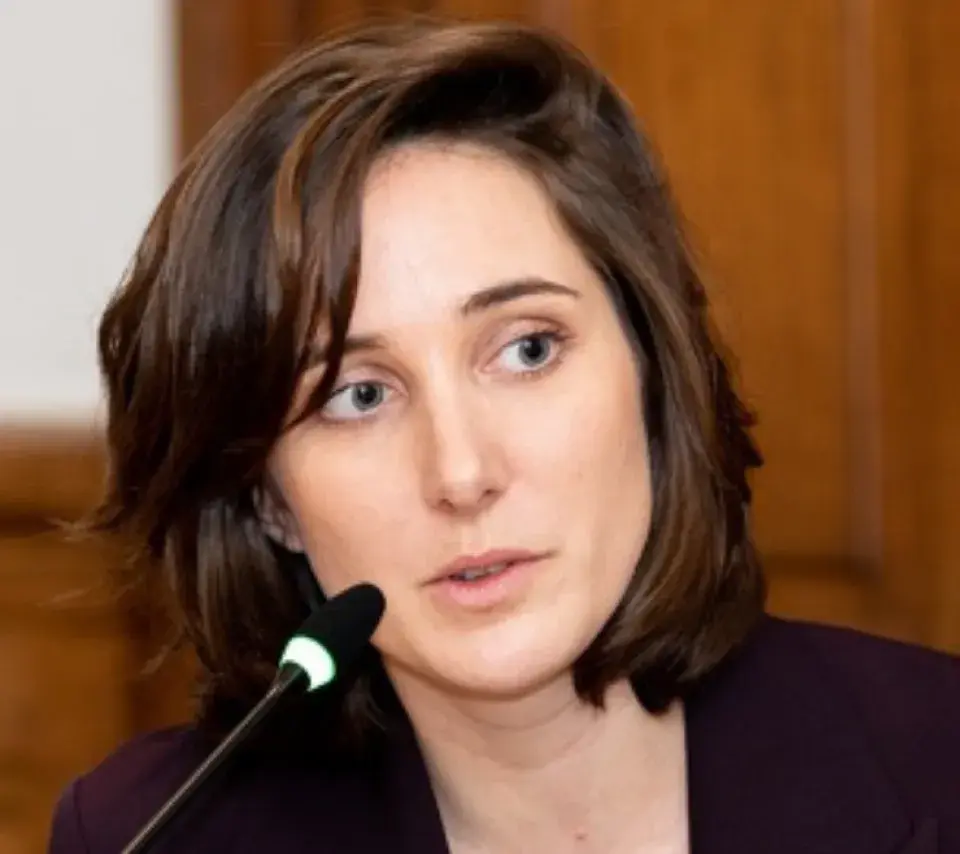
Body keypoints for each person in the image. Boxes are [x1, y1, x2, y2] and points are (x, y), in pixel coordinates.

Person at [48, 17, 958, 854]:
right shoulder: (156, 834)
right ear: (268, 497)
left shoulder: (935, 765)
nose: (462, 471)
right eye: (358, 395)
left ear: (652, 371)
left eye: (527, 350)